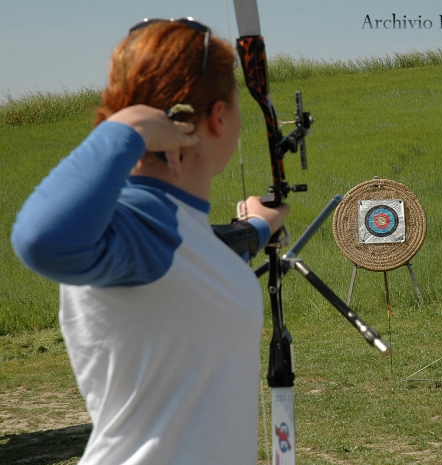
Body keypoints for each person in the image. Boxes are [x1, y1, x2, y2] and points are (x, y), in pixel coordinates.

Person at [11, 18, 289, 465]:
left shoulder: (169, 228)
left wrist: (260, 225)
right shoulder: (142, 222)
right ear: (219, 118)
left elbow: (202, 262)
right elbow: (41, 241)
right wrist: (130, 128)